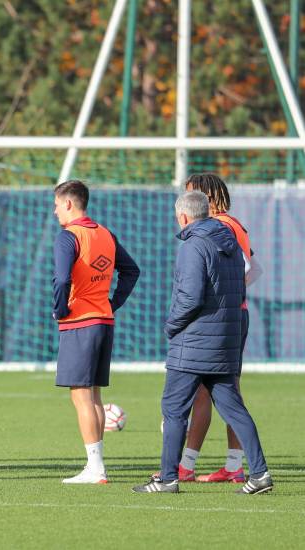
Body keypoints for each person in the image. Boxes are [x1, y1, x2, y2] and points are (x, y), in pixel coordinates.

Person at [134, 191, 273, 495]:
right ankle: (260, 473)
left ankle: (168, 478)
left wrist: (171, 326)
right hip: (225, 338)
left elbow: (191, 297)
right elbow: (241, 287)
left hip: (194, 342)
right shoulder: (231, 242)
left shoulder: (193, 244)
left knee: (173, 409)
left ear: (183, 216)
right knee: (234, 408)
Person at [172, 173, 262, 483]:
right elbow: (254, 268)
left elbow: (247, 269)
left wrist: (221, 296)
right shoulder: (232, 224)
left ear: (205, 197)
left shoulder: (220, 226)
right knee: (216, 390)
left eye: (190, 194)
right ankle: (227, 464)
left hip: (222, 319)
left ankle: (193, 465)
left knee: (211, 390)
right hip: (232, 316)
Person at [52, 180, 140, 484]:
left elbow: (62, 280)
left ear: (68, 204)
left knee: (81, 397)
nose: (54, 211)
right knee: (95, 396)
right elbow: (132, 270)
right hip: (103, 321)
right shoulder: (105, 233)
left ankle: (95, 468)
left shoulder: (68, 237)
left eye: (56, 205)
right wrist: (112, 303)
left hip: (80, 323)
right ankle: (97, 466)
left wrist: (60, 309)